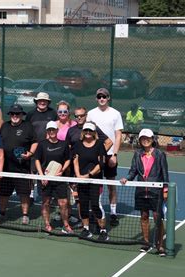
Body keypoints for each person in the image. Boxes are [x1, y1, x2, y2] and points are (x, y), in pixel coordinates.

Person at [120, 129, 169, 256]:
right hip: (141, 191)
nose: (145, 140)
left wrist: (165, 190)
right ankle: (146, 243)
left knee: (158, 218)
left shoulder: (159, 154)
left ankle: (160, 245)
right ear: (140, 140)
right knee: (144, 216)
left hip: (155, 191)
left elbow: (164, 174)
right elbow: (133, 171)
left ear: (152, 139)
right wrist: (127, 178)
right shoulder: (137, 154)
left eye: (147, 138)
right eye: (142, 138)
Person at [87, 88, 124, 226]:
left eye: (104, 96)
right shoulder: (90, 114)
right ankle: (96, 211)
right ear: (96, 98)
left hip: (109, 156)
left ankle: (113, 213)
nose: (102, 98)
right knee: (95, 185)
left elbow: (118, 135)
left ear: (108, 98)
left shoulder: (116, 114)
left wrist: (114, 154)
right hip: (94, 157)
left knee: (111, 185)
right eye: (99, 96)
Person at [0, 105, 37, 225]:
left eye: (18, 114)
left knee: (24, 193)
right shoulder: (5, 126)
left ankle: (25, 215)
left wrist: (30, 153)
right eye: (13, 114)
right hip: (6, 168)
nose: (15, 116)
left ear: (21, 115)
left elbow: (35, 141)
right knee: (4, 193)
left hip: (22, 168)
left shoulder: (28, 126)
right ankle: (2, 213)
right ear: (10, 115)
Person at [72, 122, 109, 241]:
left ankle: (103, 231)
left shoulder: (99, 145)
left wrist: (89, 175)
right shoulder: (77, 145)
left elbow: (101, 163)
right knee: (83, 205)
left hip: (95, 181)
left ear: (94, 133)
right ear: (83, 132)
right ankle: (86, 229)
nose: (88, 133)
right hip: (81, 181)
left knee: (95, 205)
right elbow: (75, 161)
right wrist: (78, 176)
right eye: (86, 130)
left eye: (90, 131)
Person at [34, 121, 71, 233]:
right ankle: (47, 224)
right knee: (46, 202)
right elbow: (37, 160)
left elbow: (68, 159)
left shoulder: (64, 144)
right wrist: (42, 176)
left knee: (63, 203)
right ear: (47, 131)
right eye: (49, 130)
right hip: (45, 179)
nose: (51, 132)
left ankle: (66, 224)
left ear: (57, 130)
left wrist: (62, 170)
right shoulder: (42, 144)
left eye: (53, 129)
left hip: (59, 179)